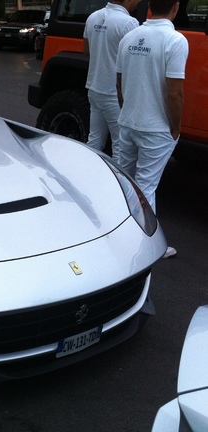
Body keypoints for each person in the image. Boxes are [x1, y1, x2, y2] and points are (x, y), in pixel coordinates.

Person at [115, 0, 188, 258]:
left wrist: (128, 109)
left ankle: (114, 238)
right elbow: (175, 93)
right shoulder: (175, 41)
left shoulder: (130, 37)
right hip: (156, 129)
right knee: (146, 187)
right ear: (175, 7)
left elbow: (120, 82)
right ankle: (146, 248)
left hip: (128, 122)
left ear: (150, 7)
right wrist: (176, 127)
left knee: (124, 182)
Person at [83, 0, 140, 161]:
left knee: (94, 140)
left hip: (94, 87)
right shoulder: (129, 23)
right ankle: (117, 183)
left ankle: (88, 176)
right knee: (120, 146)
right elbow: (134, 60)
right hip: (115, 94)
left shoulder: (93, 17)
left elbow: (86, 50)